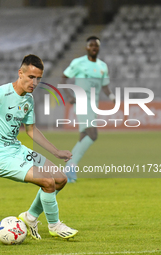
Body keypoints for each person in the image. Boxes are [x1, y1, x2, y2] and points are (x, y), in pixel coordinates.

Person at [0, 54, 78, 240]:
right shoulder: (0, 93)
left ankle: (30, 217)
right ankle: (54, 225)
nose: (34, 82)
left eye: (38, 78)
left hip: (17, 150)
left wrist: (56, 152)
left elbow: (31, 131)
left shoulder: (28, 100)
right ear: (20, 73)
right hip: (0, 157)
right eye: (31, 77)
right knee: (48, 182)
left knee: (60, 179)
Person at [61, 36, 115, 182]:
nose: (93, 48)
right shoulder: (78, 63)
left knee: (84, 136)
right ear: (86, 48)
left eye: (96, 46)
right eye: (91, 45)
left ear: (98, 48)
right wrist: (69, 96)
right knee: (93, 134)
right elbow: (63, 78)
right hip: (82, 102)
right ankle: (70, 166)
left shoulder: (103, 66)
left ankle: (69, 168)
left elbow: (105, 86)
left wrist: (111, 97)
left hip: (94, 104)